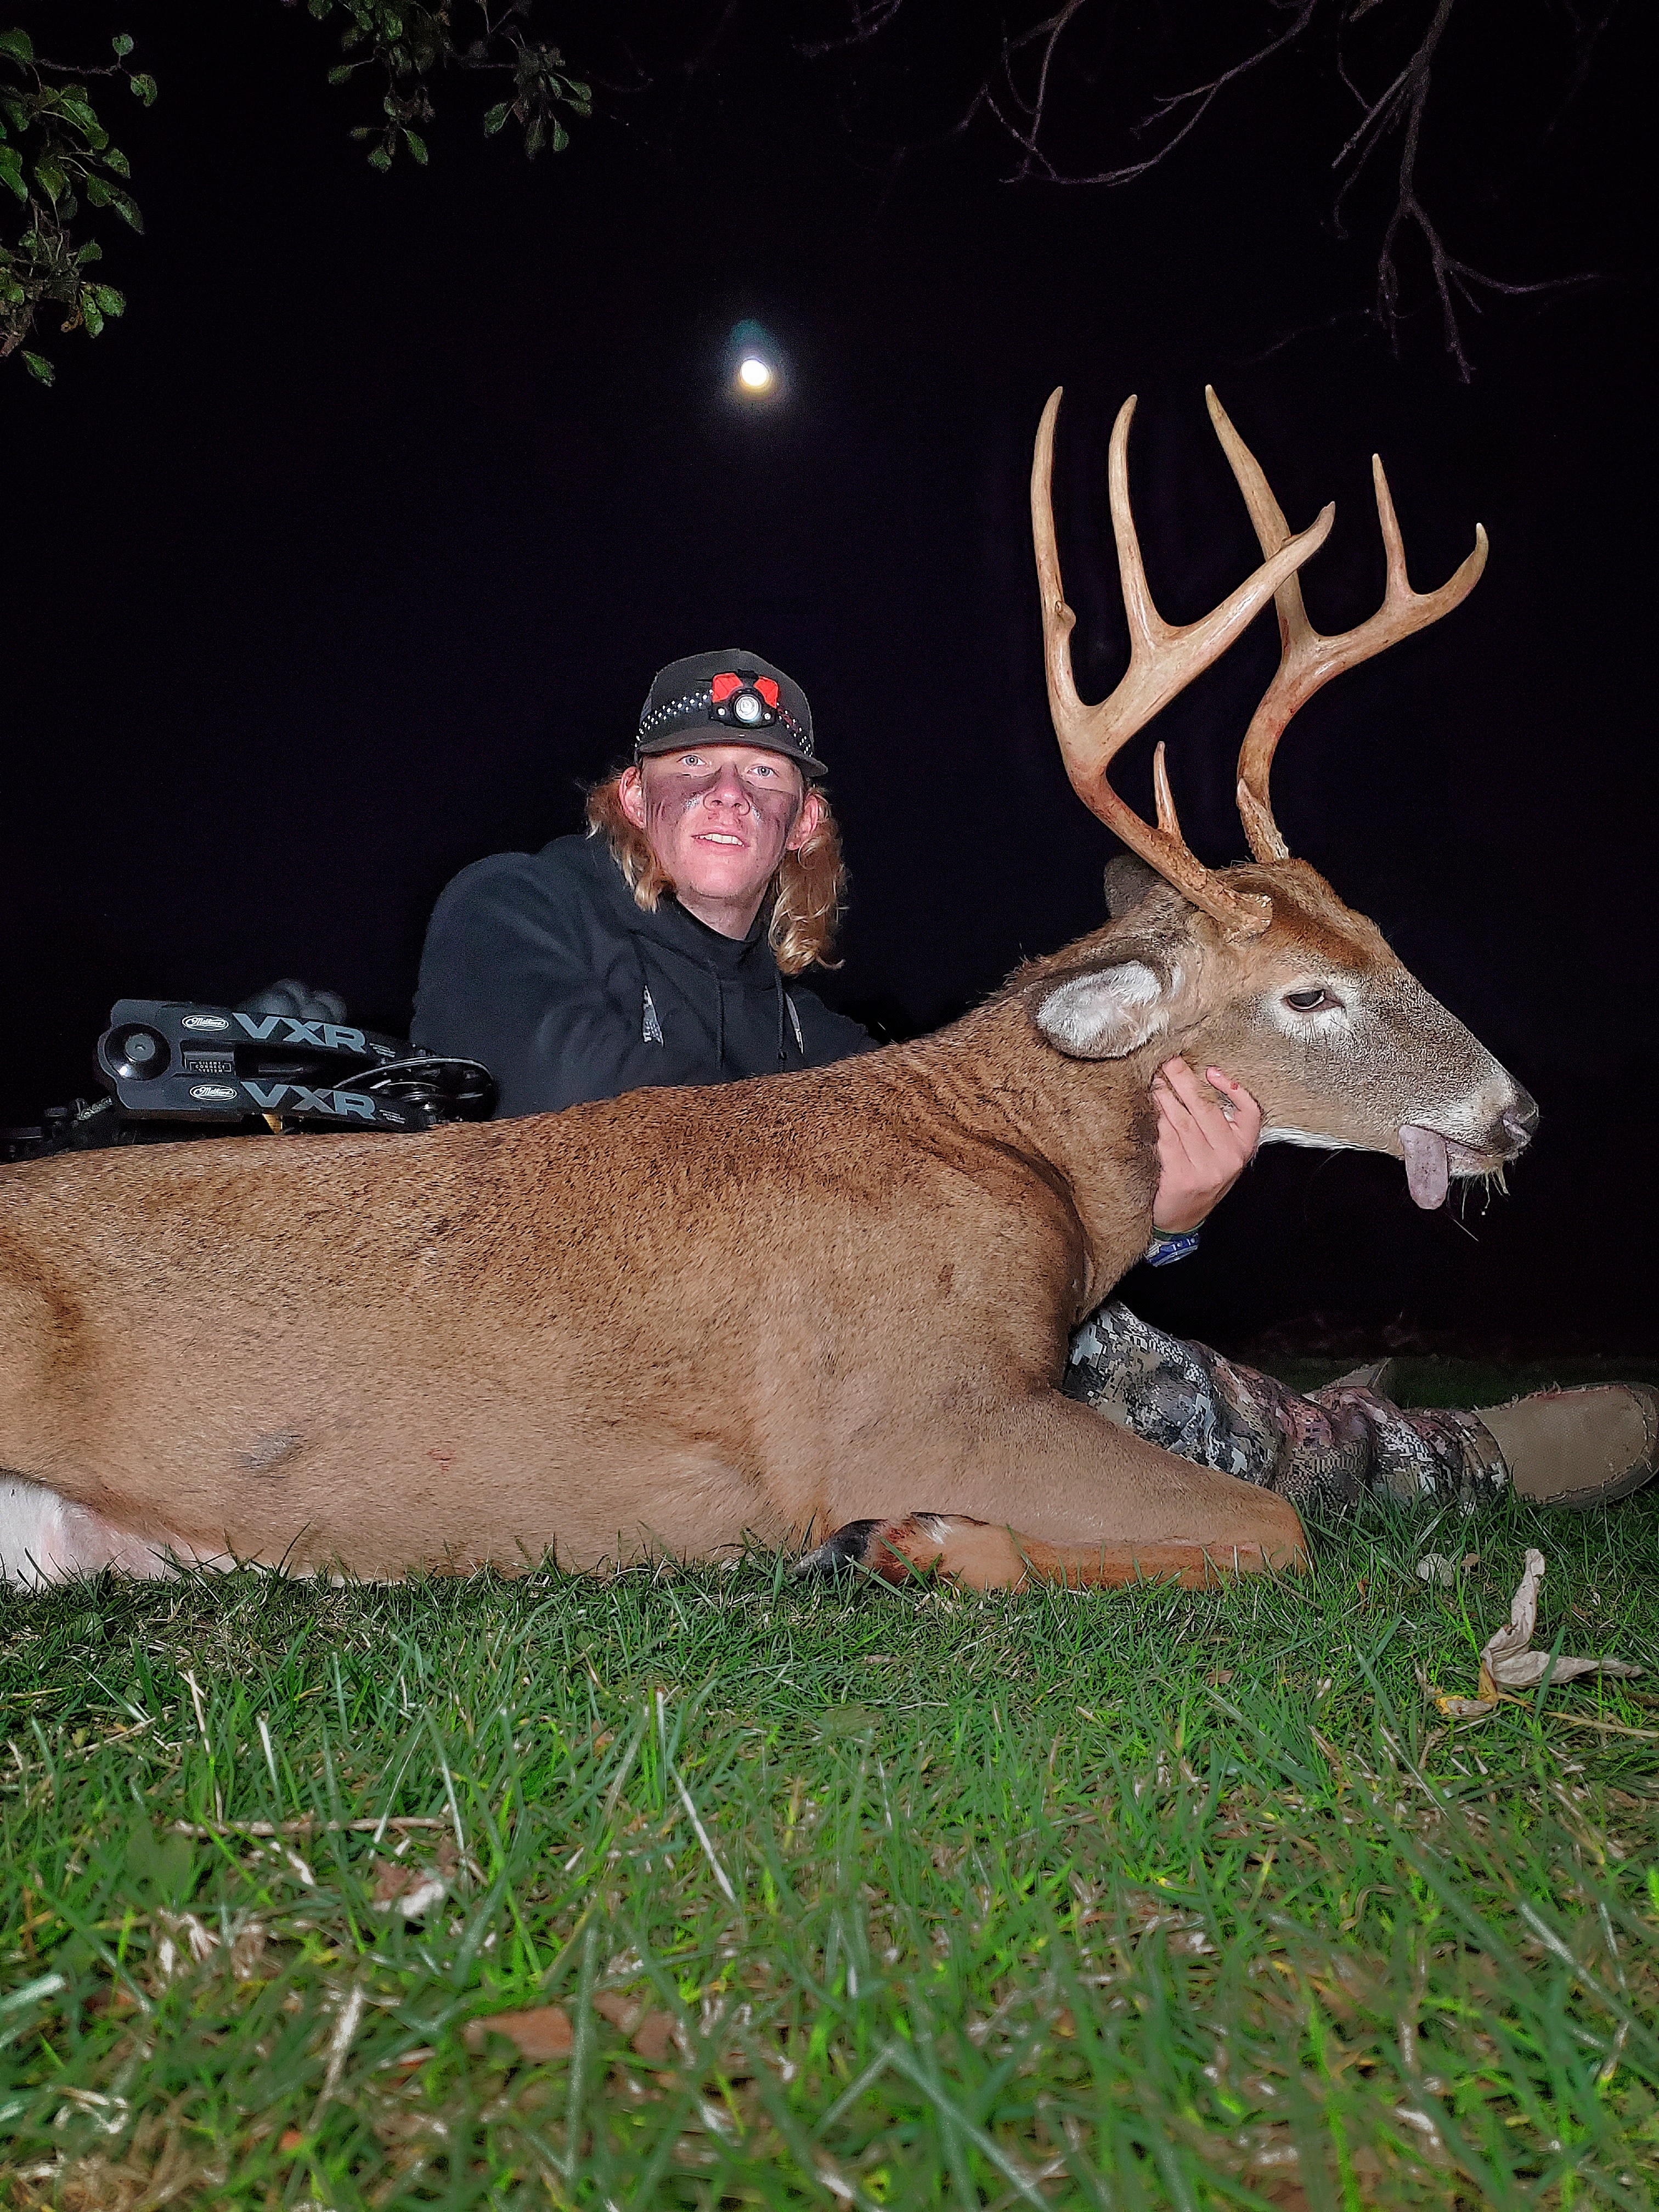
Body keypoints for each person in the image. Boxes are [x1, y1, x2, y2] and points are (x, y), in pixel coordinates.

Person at [413, 649, 1657, 1517]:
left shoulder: (817, 1037)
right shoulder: (515, 909)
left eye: (766, 775)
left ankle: (1361, 1435)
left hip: (779, 1379)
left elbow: (960, 1188)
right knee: (1091, 1375)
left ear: (803, 825)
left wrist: (1162, 1222)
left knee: (1069, 1335)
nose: (729, 790)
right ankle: (1440, 1461)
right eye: (695, 766)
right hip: (549, 1336)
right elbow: (587, 1108)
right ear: (634, 795)